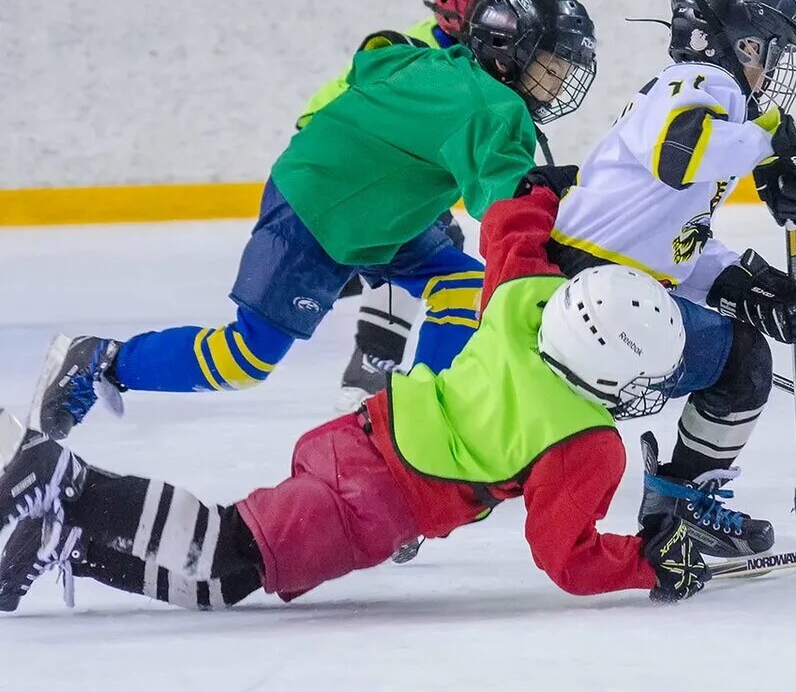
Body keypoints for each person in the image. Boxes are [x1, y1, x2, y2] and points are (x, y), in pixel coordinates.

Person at [0, 185, 711, 611]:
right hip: (376, 500)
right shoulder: (588, 442)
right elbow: (567, 556)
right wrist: (651, 558)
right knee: (227, 547)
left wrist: (543, 193)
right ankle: (65, 481)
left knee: (230, 578)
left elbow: (509, 233)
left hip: (358, 434)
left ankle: (68, 538)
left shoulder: (525, 304)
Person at [27, 0, 597, 444]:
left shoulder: (446, 67)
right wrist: (580, 246)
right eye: (550, 65)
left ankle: (416, 423)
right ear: (508, 50)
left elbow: (373, 62)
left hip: (371, 209)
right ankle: (100, 361)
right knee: (243, 360)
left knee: (461, 285)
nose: (559, 81)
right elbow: (510, 216)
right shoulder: (492, 108)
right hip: (322, 213)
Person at [542, 0, 796, 559]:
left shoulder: (696, 99)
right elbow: (681, 152)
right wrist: (773, 138)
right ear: (730, 41)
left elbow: (674, 240)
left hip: (590, 285)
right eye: (761, 50)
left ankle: (676, 505)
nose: (767, 70)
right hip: (591, 292)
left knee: (740, 353)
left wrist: (754, 287)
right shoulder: (701, 81)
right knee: (741, 362)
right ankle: (678, 503)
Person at [294, 0, 540, 409]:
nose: (513, 21)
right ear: (457, 7)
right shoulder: (414, 55)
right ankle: (374, 361)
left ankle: (370, 334)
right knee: (431, 240)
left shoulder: (485, 60)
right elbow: (324, 125)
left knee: (435, 240)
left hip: (381, 186)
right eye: (499, 7)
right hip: (344, 189)